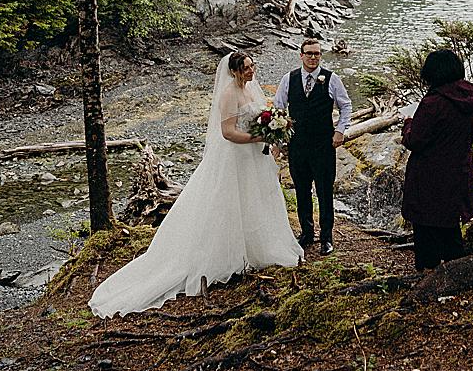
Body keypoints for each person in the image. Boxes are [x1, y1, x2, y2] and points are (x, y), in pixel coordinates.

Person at [89, 51, 301, 316]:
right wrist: (258, 138)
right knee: (227, 203)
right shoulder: (228, 95)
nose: (251, 71)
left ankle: (257, 248)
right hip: (235, 158)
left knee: (255, 200)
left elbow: (262, 116)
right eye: (246, 68)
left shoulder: (250, 90)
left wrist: (271, 132)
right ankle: (224, 254)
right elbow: (228, 132)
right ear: (234, 71)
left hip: (253, 159)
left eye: (252, 66)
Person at [401, 48, 473, 271]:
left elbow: (416, 140)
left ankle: (428, 277)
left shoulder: (433, 103)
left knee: (426, 227)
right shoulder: (471, 97)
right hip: (459, 170)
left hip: (429, 175)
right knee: (450, 226)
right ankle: (456, 272)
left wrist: (407, 123)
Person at [273, 37, 352, 256]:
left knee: (325, 192)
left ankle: (326, 237)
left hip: (323, 146)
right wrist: (278, 143)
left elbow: (346, 106)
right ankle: (307, 233)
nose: (313, 57)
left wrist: (340, 130)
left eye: (317, 53)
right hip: (297, 146)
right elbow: (278, 110)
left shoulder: (331, 79)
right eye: (309, 53)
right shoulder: (289, 79)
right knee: (302, 191)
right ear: (301, 55)